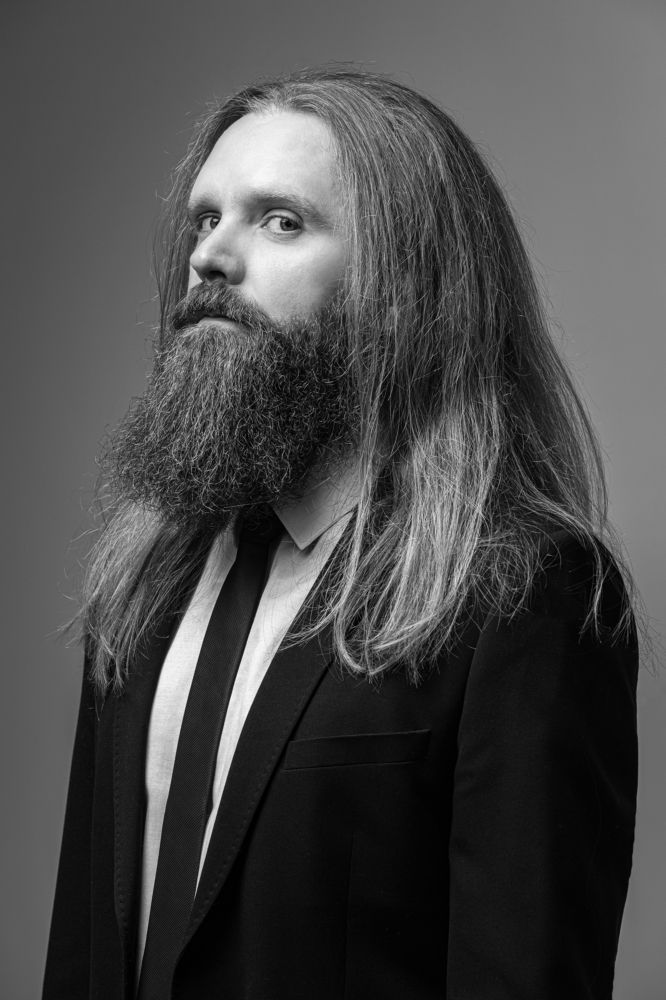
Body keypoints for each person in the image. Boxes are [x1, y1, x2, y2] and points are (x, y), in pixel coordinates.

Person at [43, 68, 639, 1000]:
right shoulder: (144, 581)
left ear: (405, 289)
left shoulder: (526, 592)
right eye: (206, 219)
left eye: (281, 221)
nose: (211, 257)